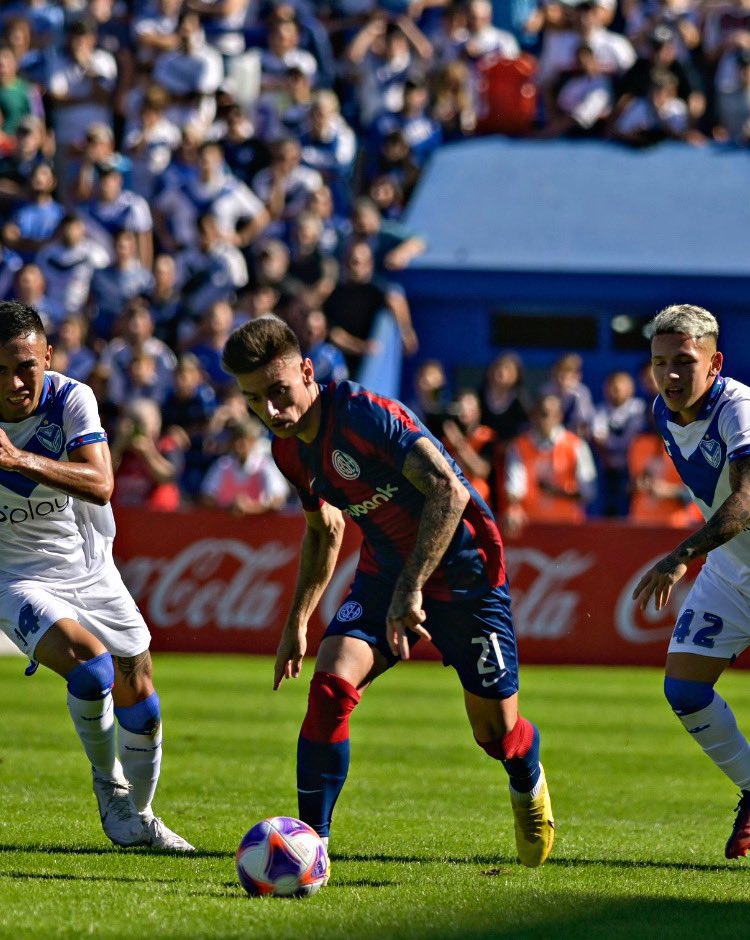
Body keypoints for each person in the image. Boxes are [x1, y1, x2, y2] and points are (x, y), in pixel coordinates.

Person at [220, 316, 554, 869]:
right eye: (255, 400)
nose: (271, 411)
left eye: (278, 392)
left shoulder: (363, 416)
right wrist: (297, 620)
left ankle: (527, 777)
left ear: (307, 372)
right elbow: (326, 528)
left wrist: (412, 588)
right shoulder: (287, 451)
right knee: (330, 687)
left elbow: (447, 489)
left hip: (468, 576)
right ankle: (311, 847)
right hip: (384, 577)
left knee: (496, 734)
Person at [0, 300, 192, 851]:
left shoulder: (70, 398)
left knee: (143, 695)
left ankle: (142, 814)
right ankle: (110, 788)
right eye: (1, 369)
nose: (15, 382)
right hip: (14, 575)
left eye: (26, 366)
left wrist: (18, 461)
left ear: (47, 357)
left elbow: (101, 483)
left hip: (88, 564)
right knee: (90, 668)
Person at [632, 303, 750, 860]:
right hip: (731, 571)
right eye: (661, 363)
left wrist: (681, 554)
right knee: (683, 689)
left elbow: (746, 500)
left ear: (715, 362)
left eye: (684, 362)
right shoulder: (661, 411)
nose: (671, 376)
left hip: (718, 552)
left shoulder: (739, 408)